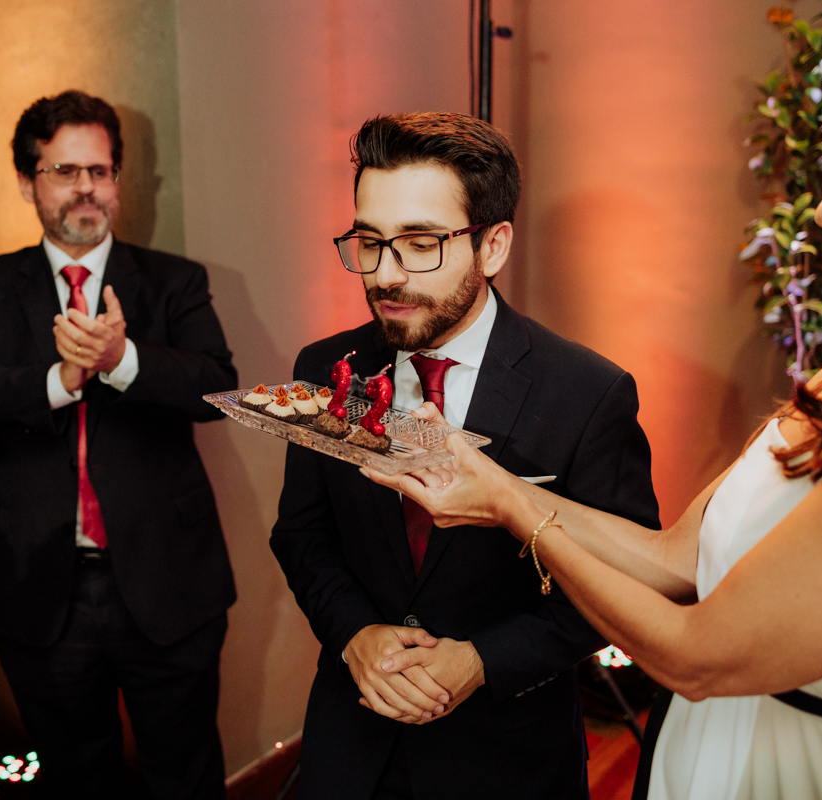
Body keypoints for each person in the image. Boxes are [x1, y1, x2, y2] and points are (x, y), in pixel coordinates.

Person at [367, 52, 822, 800]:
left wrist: (510, 508)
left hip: (806, 768)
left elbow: (696, 656)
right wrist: (497, 485)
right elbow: (676, 558)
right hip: (699, 748)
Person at [270, 112, 661, 800]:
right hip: (353, 742)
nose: (386, 275)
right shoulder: (328, 368)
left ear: (493, 245)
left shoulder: (587, 394)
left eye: (420, 244)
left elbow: (619, 584)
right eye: (370, 242)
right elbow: (303, 535)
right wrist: (355, 634)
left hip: (508, 757)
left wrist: (483, 660)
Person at [0, 90, 237, 799]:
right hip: (38, 585)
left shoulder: (173, 281)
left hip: (167, 580)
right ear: (26, 181)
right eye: (65, 171)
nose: (86, 188)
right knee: (75, 778)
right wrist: (58, 379)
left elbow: (217, 387)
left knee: (186, 774)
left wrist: (122, 360)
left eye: (100, 171)